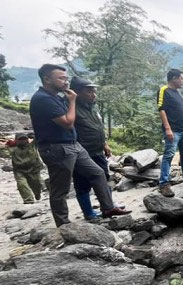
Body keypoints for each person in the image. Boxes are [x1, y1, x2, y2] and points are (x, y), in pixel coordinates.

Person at [29, 64, 129, 226]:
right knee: (60, 188)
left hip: (73, 144)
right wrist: (72, 101)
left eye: (66, 78)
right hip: (56, 147)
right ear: (47, 79)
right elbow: (68, 123)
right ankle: (64, 224)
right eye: (61, 78)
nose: (65, 82)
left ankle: (108, 208)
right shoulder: (43, 99)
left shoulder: (56, 97)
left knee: (97, 173)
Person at [69, 77, 120, 219]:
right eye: (89, 91)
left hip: (97, 150)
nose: (93, 94)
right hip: (82, 153)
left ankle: (109, 205)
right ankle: (88, 212)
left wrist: (104, 144)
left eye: (94, 91)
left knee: (104, 177)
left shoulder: (91, 107)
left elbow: (98, 127)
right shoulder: (72, 108)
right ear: (77, 92)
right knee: (82, 183)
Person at [157, 68, 183, 197]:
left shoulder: (178, 92)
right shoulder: (164, 90)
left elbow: (181, 110)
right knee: (169, 155)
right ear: (174, 78)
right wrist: (167, 128)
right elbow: (161, 109)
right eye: (181, 78)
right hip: (173, 130)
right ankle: (164, 184)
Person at [8, 132, 44, 204]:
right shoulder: (12, 148)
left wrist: (33, 135)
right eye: (20, 139)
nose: (23, 141)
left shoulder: (32, 145)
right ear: (16, 140)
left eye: (24, 139)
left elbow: (40, 137)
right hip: (19, 170)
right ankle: (28, 200)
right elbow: (4, 151)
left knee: (37, 184)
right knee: (22, 184)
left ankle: (37, 193)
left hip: (34, 169)